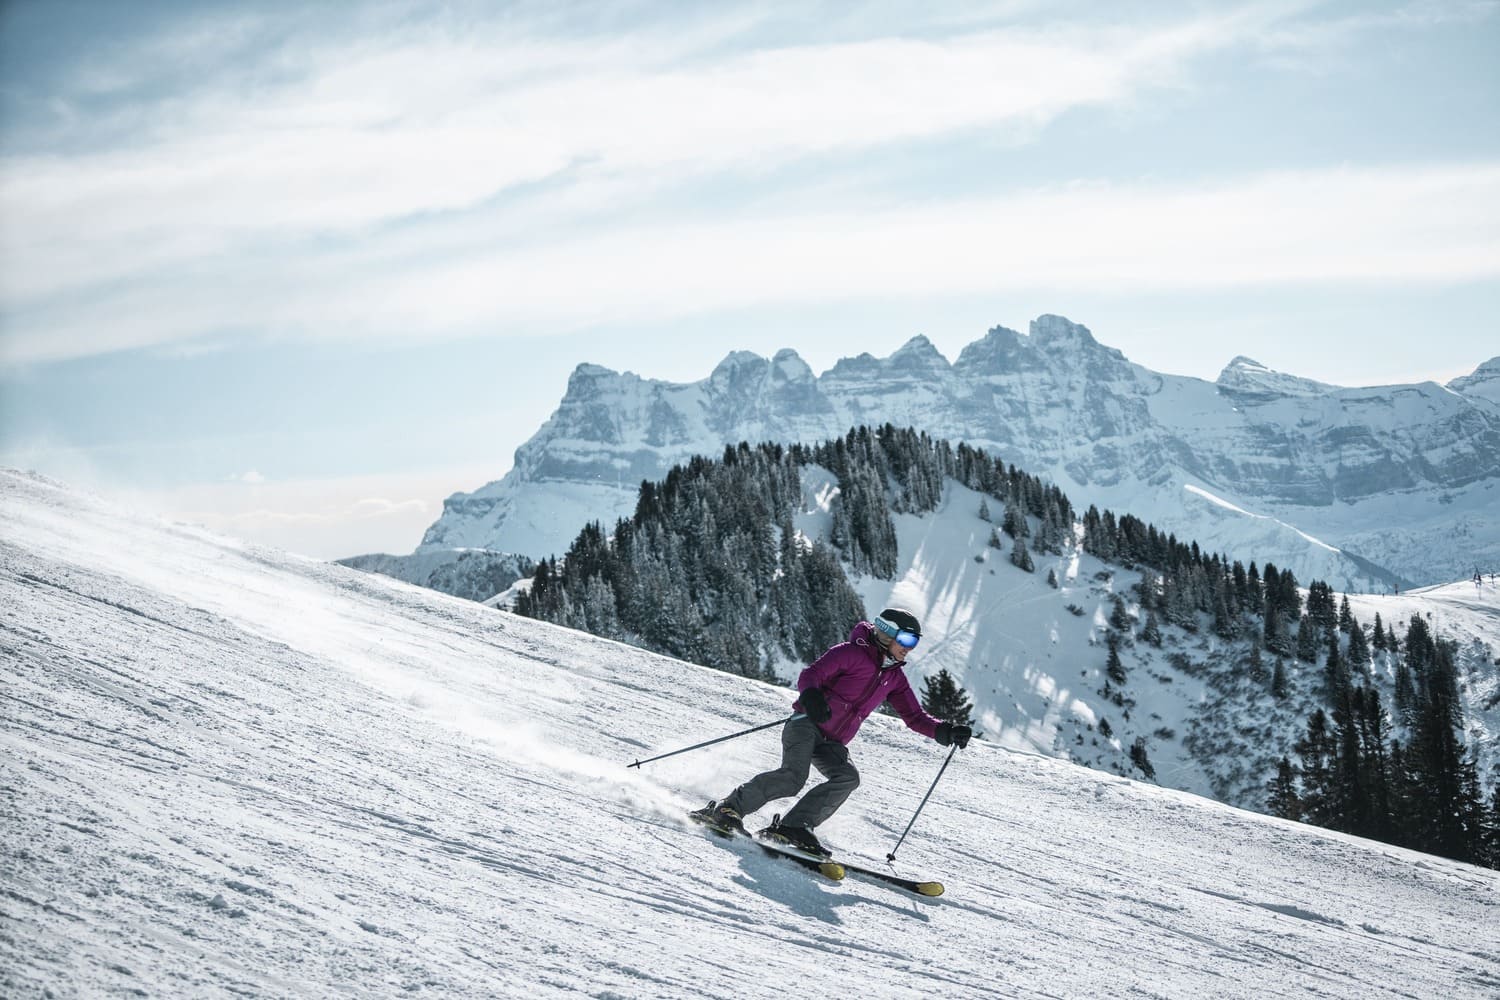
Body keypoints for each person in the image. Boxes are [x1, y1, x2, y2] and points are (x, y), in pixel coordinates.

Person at [694, 608, 972, 857]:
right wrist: (813, 698)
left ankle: (794, 826)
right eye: (907, 640)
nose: (910, 649)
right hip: (805, 724)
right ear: (886, 634)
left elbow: (914, 717)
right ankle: (729, 808)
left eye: (915, 643)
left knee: (847, 777)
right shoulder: (850, 653)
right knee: (793, 777)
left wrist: (946, 731)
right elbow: (810, 676)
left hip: (833, 742)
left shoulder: (893, 678)